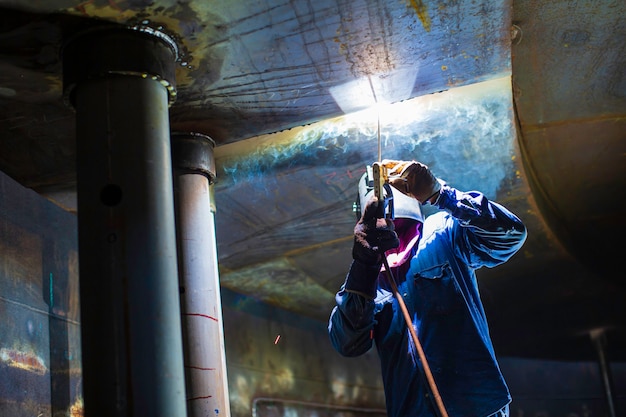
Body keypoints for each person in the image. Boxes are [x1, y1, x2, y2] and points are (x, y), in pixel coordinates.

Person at [328, 160, 527, 417]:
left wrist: (443, 195)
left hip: (477, 409)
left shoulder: (445, 233)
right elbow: (347, 343)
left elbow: (510, 234)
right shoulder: (365, 280)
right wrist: (364, 263)